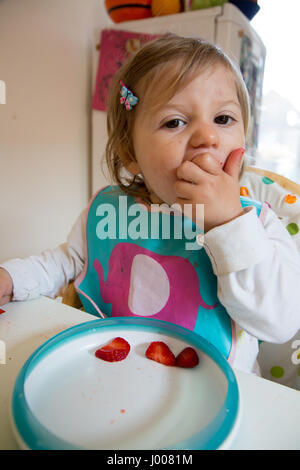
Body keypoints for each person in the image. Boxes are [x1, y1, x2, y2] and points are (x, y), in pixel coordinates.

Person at [0, 33, 299, 375]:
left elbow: (280, 322)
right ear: (131, 154)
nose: (208, 137)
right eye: (175, 122)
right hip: (117, 376)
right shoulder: (111, 211)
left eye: (223, 119)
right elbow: (67, 262)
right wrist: (12, 278)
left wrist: (228, 224)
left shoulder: (256, 224)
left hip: (223, 394)